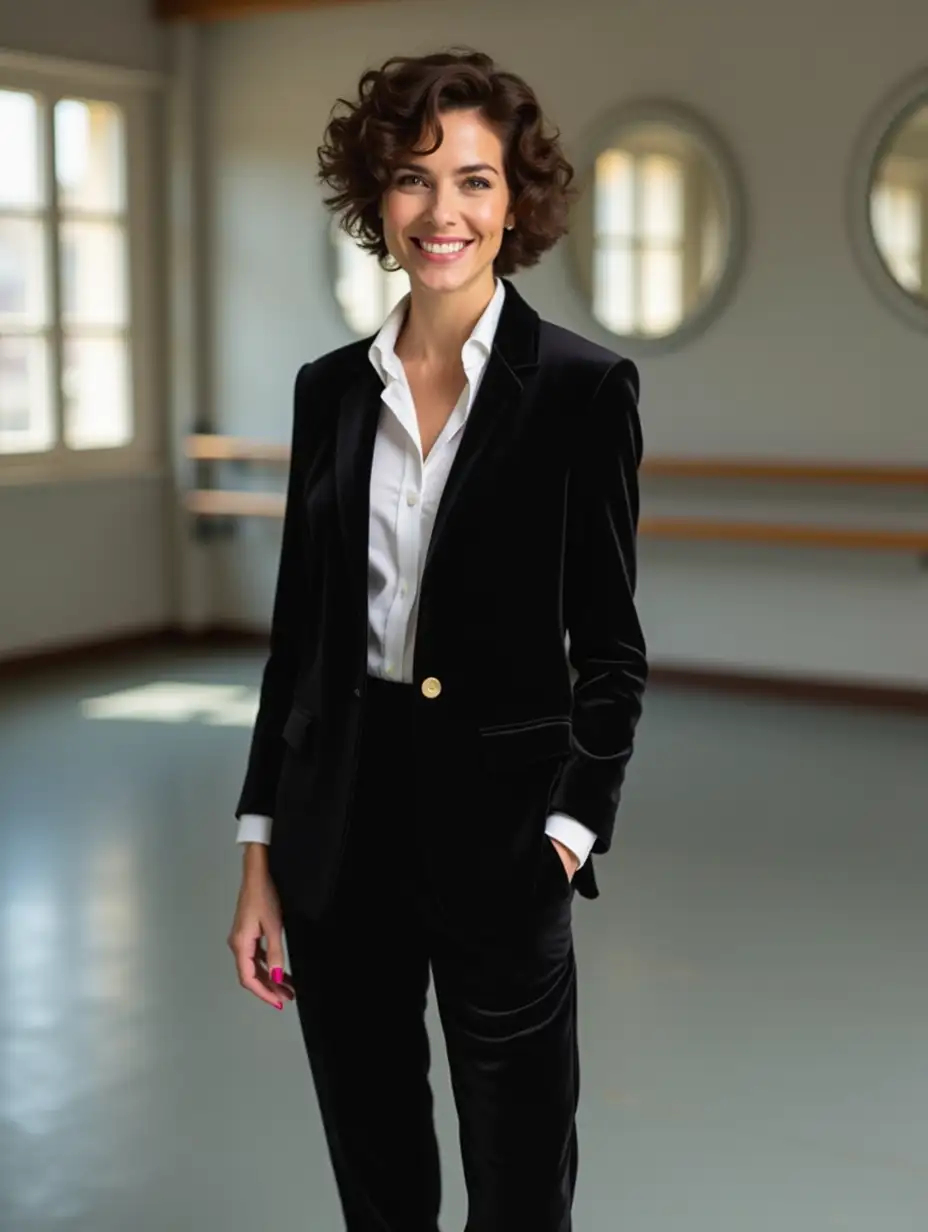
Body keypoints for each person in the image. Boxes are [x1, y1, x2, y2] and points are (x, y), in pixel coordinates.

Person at [227, 47, 648, 1232]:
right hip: (337, 838)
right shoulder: (328, 390)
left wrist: (567, 834)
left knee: (519, 1193)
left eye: (473, 179)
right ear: (378, 199)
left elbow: (611, 648)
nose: (441, 211)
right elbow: (297, 645)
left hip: (504, 847)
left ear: (516, 200)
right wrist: (261, 849)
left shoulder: (583, 389)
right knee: (379, 1186)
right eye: (413, 180)